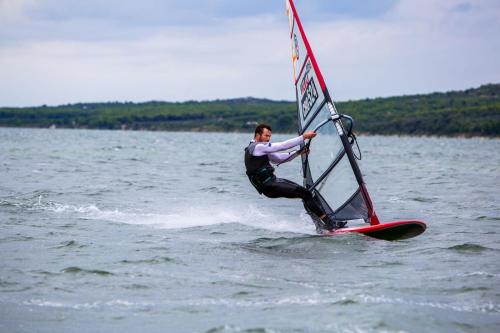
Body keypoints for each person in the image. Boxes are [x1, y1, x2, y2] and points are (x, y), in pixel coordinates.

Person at [244, 123, 346, 230]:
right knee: (305, 194)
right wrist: (304, 137)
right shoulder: (257, 147)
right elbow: (282, 146)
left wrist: (298, 153)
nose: (268, 139)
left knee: (307, 193)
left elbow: (278, 159)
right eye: (266, 136)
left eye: (269, 136)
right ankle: (329, 224)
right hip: (269, 186)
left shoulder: (261, 149)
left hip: (272, 183)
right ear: (257, 135)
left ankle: (320, 225)